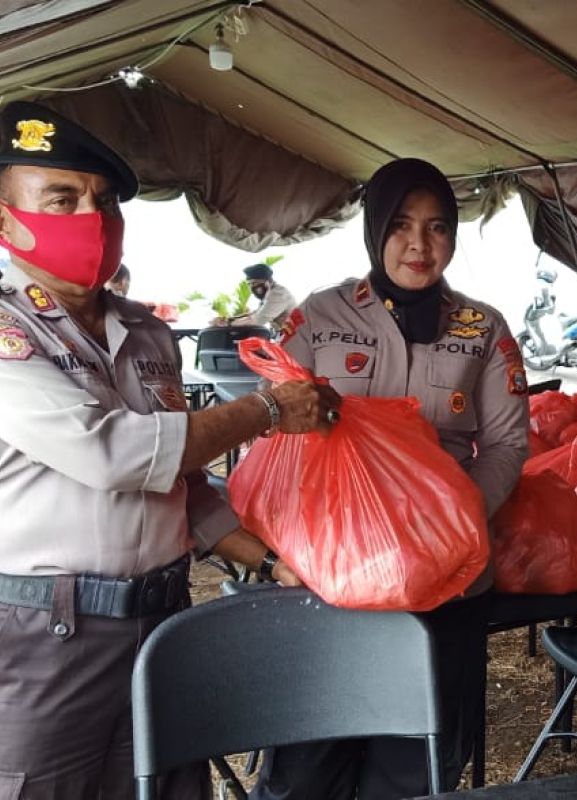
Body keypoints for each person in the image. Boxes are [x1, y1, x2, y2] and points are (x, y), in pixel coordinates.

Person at [0, 101, 341, 799]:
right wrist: (268, 409)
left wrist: (273, 562)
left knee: (171, 788)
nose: (90, 218)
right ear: (4, 220)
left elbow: (179, 484)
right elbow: (116, 455)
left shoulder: (146, 334)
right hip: (49, 631)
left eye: (103, 202)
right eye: (60, 200)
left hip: (163, 620)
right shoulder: (11, 330)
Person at [250, 158, 529, 799]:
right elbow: (276, 438)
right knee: (306, 768)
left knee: (416, 771)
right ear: (375, 231)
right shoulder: (319, 318)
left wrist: (450, 523)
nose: (419, 245)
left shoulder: (482, 327)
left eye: (437, 228)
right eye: (401, 225)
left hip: (446, 585)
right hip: (332, 583)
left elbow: (508, 444)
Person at [214, 262, 298, 334]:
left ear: (268, 282)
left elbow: (257, 321)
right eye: (249, 284)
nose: (252, 288)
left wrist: (227, 324)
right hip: (286, 335)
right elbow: (253, 315)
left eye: (255, 283)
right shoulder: (269, 294)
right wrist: (229, 320)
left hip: (297, 337)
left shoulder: (278, 294)